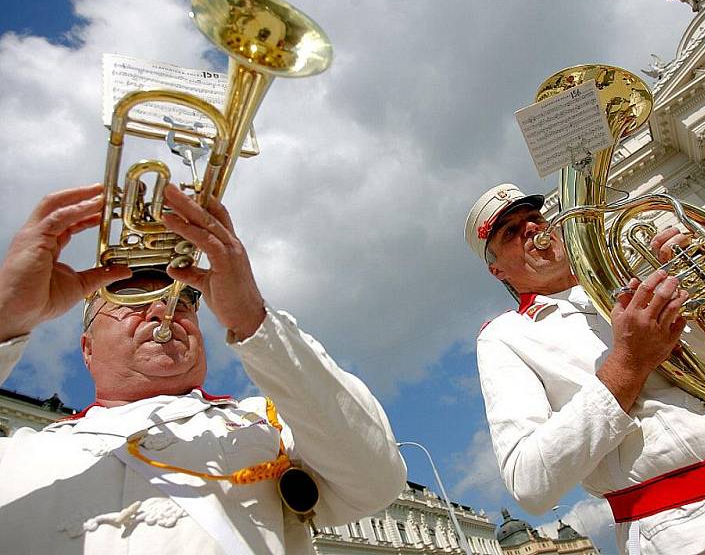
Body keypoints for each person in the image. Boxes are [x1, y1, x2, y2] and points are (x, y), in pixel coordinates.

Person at [0, 183, 407, 555]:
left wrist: (254, 319)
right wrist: (7, 317)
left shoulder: (266, 423)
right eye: (130, 298)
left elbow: (373, 482)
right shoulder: (18, 451)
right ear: (87, 349)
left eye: (183, 301)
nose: (163, 308)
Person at [465, 183, 705, 555]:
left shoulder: (641, 280)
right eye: (510, 232)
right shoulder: (506, 336)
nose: (531, 229)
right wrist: (628, 363)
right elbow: (529, 480)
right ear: (498, 271)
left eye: (534, 217)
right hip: (693, 531)